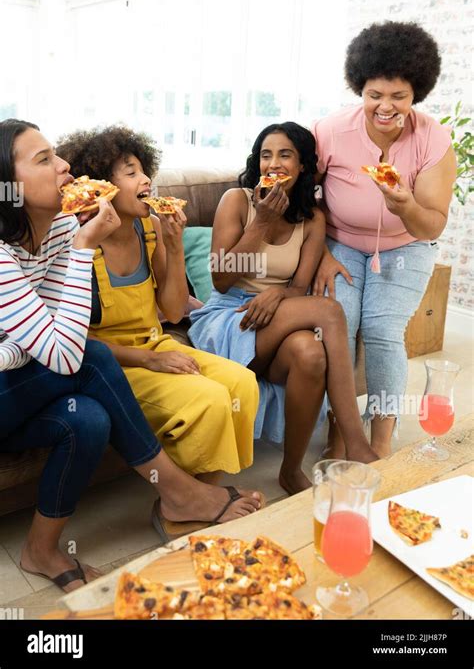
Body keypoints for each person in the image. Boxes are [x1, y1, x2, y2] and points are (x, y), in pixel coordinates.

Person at [0, 120, 262, 592]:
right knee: (93, 359)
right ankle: (178, 493)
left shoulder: (61, 227)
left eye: (56, 154)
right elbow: (65, 352)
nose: (63, 167)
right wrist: (84, 248)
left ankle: (41, 548)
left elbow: (63, 333)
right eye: (43, 160)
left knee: (91, 420)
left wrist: (24, 341)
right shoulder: (16, 251)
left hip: (31, 376)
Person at [56, 126, 262, 513]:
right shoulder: (76, 242)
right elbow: (75, 340)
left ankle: (194, 496)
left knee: (242, 383)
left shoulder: (149, 226)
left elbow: (170, 312)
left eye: (143, 170)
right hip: (111, 365)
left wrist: (172, 245)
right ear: (100, 187)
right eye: (130, 172)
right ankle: (187, 503)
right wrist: (151, 360)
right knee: (210, 398)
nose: (146, 180)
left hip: (156, 341)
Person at [189, 121, 378, 495]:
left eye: (285, 155)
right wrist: (262, 222)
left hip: (278, 315)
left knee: (310, 353)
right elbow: (221, 279)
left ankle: (290, 470)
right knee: (330, 312)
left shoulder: (312, 220)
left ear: (304, 165)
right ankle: (357, 444)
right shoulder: (237, 201)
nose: (273, 164)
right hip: (230, 318)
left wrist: (278, 295)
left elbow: (295, 288)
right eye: (265, 155)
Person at [312, 21, 456, 458]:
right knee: (340, 326)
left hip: (406, 245)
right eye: (374, 95)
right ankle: (341, 431)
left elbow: (431, 226)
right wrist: (319, 254)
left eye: (399, 96)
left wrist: (405, 206)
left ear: (417, 93)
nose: (385, 107)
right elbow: (306, 199)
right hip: (340, 242)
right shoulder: (331, 130)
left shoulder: (433, 138)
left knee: (382, 330)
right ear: (360, 87)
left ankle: (381, 440)